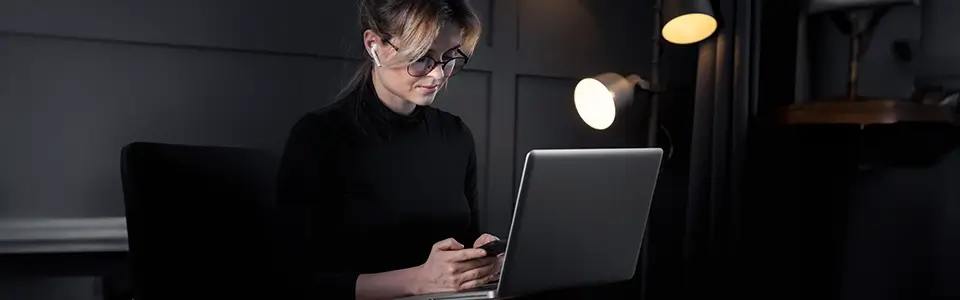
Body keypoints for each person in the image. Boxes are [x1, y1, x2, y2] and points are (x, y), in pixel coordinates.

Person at [275, 0, 501, 299]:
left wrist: (481, 258)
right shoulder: (319, 137)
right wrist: (418, 281)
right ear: (374, 45)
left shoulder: (456, 136)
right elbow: (294, 281)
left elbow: (463, 245)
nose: (438, 75)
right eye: (422, 58)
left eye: (450, 58)